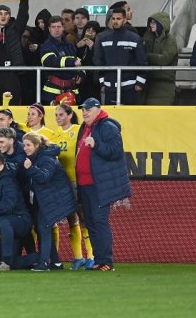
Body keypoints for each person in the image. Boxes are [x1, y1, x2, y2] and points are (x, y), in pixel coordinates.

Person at [75, 98, 131, 271]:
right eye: (83, 109)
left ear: (98, 110)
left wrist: (96, 144)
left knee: (99, 221)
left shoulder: (107, 126)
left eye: (88, 109)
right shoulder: (84, 127)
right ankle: (99, 260)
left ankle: (106, 261)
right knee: (91, 222)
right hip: (85, 184)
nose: (84, 112)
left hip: (99, 185)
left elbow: (115, 151)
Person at [22, 132, 77, 271]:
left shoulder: (47, 158)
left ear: (37, 145)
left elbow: (44, 177)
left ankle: (43, 263)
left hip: (55, 199)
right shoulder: (35, 157)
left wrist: (30, 168)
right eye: (24, 145)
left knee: (43, 227)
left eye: (28, 145)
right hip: (44, 198)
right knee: (42, 228)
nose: (25, 148)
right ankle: (56, 263)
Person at [53, 103, 95, 269]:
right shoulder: (54, 134)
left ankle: (92, 256)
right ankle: (78, 257)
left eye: (61, 114)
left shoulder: (79, 130)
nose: (58, 118)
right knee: (72, 220)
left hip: (77, 181)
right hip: (62, 183)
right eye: (56, 115)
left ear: (70, 115)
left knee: (85, 218)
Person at [0, 152, 37, 270]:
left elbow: (8, 208)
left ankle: (5, 262)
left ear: (1, 167)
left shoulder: (9, 182)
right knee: (14, 264)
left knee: (6, 222)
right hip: (5, 226)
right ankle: (40, 258)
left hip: (21, 221)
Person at [93, 7, 148, 105]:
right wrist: (102, 83)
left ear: (125, 20)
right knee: (111, 118)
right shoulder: (104, 39)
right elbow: (101, 63)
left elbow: (142, 62)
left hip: (130, 87)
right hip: (109, 88)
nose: (115, 21)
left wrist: (140, 83)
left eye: (118, 19)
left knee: (130, 118)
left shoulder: (134, 38)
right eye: (113, 19)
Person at [39, 15, 84, 105]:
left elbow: (79, 61)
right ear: (49, 29)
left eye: (59, 26)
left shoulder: (70, 45)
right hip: (53, 92)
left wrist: (81, 74)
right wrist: (71, 62)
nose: (56, 29)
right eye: (53, 27)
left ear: (63, 28)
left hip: (72, 89)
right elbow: (49, 61)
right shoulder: (46, 46)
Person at [141, 12, 178, 105]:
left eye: (154, 22)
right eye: (150, 22)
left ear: (162, 23)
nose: (151, 24)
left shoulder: (170, 40)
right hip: (148, 84)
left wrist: (146, 56)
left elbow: (164, 59)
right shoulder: (147, 38)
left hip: (164, 85)